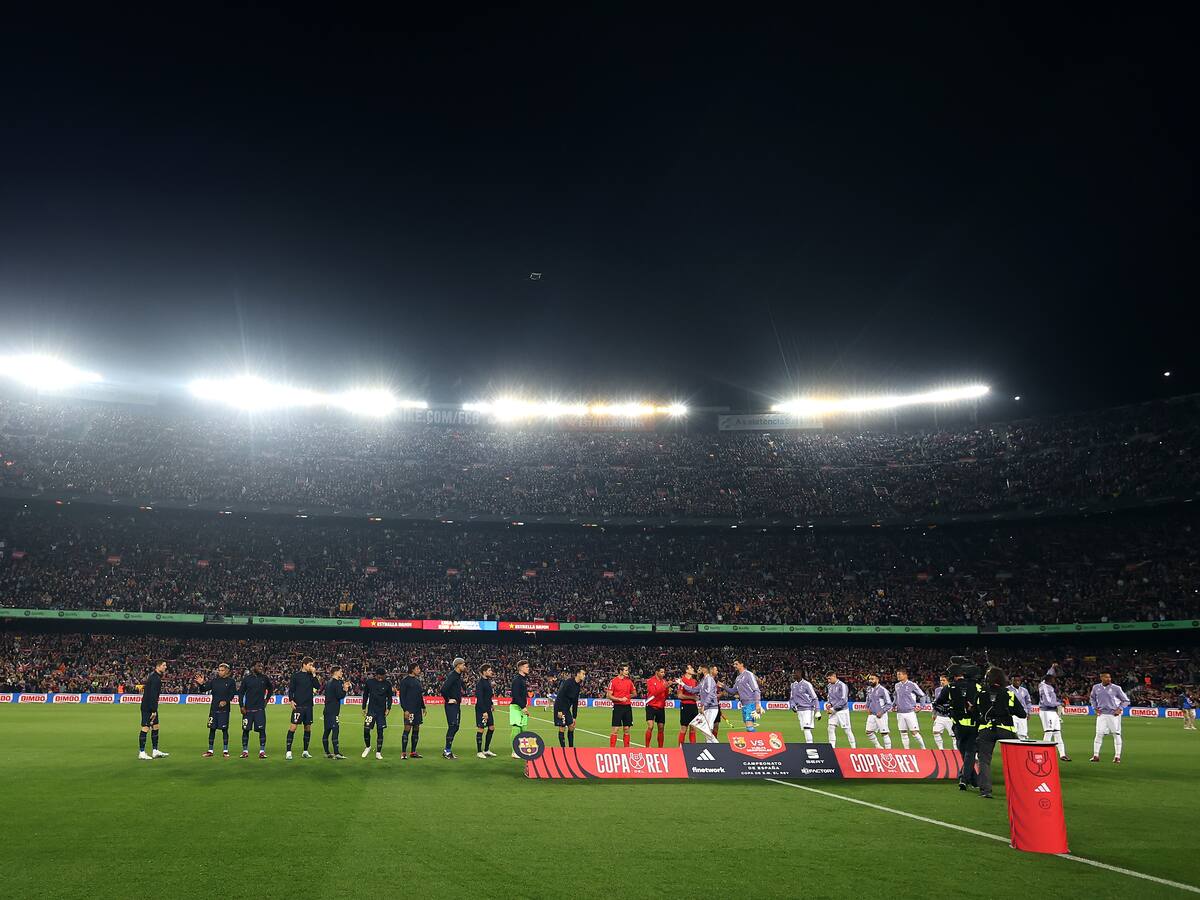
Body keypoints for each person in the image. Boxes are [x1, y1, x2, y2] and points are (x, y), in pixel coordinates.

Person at [974, 666, 1027, 800]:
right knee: (1013, 761)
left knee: (984, 760)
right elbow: (1021, 714)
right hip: (1006, 729)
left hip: (986, 729)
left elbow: (974, 711)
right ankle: (1017, 790)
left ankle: (985, 790)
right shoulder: (1008, 693)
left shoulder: (981, 692)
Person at [947, 667, 980, 790]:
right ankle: (973, 779)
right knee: (969, 753)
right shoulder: (977, 687)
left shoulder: (951, 687)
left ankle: (964, 778)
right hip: (973, 725)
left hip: (959, 726)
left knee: (964, 753)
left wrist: (949, 710)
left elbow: (939, 702)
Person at [195, 662, 237, 758]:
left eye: (222, 670)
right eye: (219, 670)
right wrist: (201, 684)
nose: (220, 672)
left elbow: (232, 694)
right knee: (212, 729)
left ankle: (225, 750)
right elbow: (203, 689)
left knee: (224, 730)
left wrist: (226, 701)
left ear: (227, 671)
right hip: (214, 709)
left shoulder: (231, 682)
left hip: (224, 710)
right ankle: (210, 750)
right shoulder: (214, 681)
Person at [1089, 672, 1130, 764]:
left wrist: (1119, 709)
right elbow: (1092, 698)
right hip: (1102, 714)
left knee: (1116, 734)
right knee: (1099, 734)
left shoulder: (1116, 688)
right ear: (1101, 678)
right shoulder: (1096, 687)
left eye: (1109, 677)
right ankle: (1095, 755)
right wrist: (1094, 708)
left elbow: (1126, 701)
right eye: (1106, 677)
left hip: (1113, 715)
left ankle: (1117, 756)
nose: (1109, 679)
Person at [285, 656, 319, 760]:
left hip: (309, 706)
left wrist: (314, 674)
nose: (311, 667)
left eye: (312, 665)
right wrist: (291, 700)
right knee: (293, 727)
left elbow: (317, 686)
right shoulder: (296, 676)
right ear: (304, 664)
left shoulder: (311, 676)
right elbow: (291, 690)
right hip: (298, 706)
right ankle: (288, 751)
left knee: (307, 728)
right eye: (310, 665)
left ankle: (305, 751)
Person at [676, 663, 720, 742]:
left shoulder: (709, 679)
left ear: (704, 669)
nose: (697, 670)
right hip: (705, 707)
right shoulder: (703, 680)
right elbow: (693, 690)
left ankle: (716, 747)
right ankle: (713, 746)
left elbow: (711, 693)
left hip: (711, 707)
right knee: (705, 729)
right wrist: (682, 684)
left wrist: (704, 705)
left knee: (707, 729)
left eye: (700, 668)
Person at [238, 662, 272, 759]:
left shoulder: (264, 678)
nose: (261, 667)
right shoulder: (247, 679)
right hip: (248, 710)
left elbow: (270, 689)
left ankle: (262, 751)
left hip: (259, 709)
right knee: (245, 730)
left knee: (262, 730)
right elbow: (241, 693)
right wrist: (241, 706)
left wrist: (267, 699)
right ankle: (245, 751)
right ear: (253, 667)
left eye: (262, 666)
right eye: (259, 666)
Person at [138, 661, 169, 760]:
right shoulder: (155, 679)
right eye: (164, 665)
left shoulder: (155, 677)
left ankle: (155, 751)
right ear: (158, 666)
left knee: (155, 727)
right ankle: (142, 752)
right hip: (148, 707)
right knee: (146, 727)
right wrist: (153, 710)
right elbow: (153, 696)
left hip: (151, 706)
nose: (165, 667)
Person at [361, 666, 393, 760]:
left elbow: (390, 697)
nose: (385, 677)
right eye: (383, 675)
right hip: (371, 710)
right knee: (366, 729)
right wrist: (363, 707)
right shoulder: (369, 682)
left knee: (380, 731)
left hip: (381, 712)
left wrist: (389, 708)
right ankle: (368, 747)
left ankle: (378, 752)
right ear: (378, 675)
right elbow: (365, 695)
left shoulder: (387, 684)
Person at [1038, 674, 1071, 761]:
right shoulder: (1045, 687)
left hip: (1053, 712)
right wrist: (1059, 703)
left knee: (1057, 733)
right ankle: (1043, 754)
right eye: (1053, 679)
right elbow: (1047, 702)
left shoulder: (1048, 686)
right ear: (1049, 679)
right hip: (1046, 711)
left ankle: (1062, 755)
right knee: (1048, 732)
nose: (1054, 680)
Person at [892, 668, 927, 750]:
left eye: (899, 674)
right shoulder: (897, 685)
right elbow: (896, 696)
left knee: (914, 733)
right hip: (900, 713)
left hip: (910, 713)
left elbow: (922, 695)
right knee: (903, 733)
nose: (898, 676)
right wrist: (894, 705)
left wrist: (921, 707)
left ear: (905, 675)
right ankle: (907, 751)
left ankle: (924, 749)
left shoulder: (912, 685)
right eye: (897, 674)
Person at [321, 666, 351, 759]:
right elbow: (339, 695)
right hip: (333, 711)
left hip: (327, 710)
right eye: (340, 671)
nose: (342, 673)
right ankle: (336, 753)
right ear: (335, 672)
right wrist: (345, 689)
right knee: (335, 730)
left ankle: (327, 752)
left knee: (327, 731)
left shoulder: (329, 682)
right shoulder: (336, 683)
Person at [728, 659, 764, 732]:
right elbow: (733, 691)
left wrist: (757, 704)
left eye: (736, 664)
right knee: (748, 728)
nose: (734, 666)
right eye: (734, 664)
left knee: (749, 727)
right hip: (744, 705)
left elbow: (756, 690)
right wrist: (723, 686)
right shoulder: (738, 678)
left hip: (751, 703)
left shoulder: (748, 674)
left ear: (742, 664)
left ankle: (758, 741)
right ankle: (753, 742)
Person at [399, 663, 426, 759]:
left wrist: (423, 707)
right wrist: (405, 709)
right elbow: (402, 697)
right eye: (417, 668)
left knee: (416, 730)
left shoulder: (418, 681)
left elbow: (420, 696)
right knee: (407, 730)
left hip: (417, 710)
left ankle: (413, 752)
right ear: (412, 669)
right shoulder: (405, 681)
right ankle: (403, 753)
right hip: (409, 710)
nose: (419, 670)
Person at [441, 657, 466, 760]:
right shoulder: (453, 676)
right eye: (463, 664)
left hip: (456, 705)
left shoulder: (457, 676)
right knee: (453, 726)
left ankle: (447, 750)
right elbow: (443, 689)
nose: (465, 666)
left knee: (455, 727)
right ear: (458, 665)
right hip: (452, 705)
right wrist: (448, 700)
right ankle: (447, 751)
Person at [554, 667, 586, 748]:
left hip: (567, 709)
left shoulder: (578, 686)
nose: (584, 675)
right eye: (583, 674)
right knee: (562, 727)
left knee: (571, 726)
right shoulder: (568, 682)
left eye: (584, 674)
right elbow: (560, 696)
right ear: (578, 674)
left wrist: (574, 716)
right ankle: (563, 749)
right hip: (560, 707)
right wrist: (560, 710)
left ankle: (571, 748)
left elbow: (575, 702)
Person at [787, 669, 820, 743]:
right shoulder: (793, 685)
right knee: (805, 729)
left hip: (808, 709)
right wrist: (792, 705)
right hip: (799, 710)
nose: (793, 675)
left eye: (794, 673)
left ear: (800, 673)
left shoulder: (807, 684)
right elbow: (792, 698)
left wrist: (817, 711)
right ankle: (809, 745)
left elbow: (815, 697)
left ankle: (810, 746)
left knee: (807, 728)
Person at [606, 664, 635, 748]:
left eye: (627, 670)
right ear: (621, 671)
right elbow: (608, 695)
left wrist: (627, 697)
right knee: (615, 729)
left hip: (627, 707)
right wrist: (619, 699)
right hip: (618, 707)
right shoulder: (613, 681)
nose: (627, 672)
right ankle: (612, 750)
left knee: (626, 729)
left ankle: (626, 749)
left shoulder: (629, 681)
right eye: (626, 670)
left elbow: (634, 693)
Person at [825, 672, 856, 747]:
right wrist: (829, 704)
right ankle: (832, 748)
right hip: (833, 710)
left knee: (847, 730)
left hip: (842, 711)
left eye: (830, 678)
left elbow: (844, 700)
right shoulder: (829, 686)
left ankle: (854, 748)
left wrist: (833, 708)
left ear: (834, 676)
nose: (828, 680)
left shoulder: (842, 685)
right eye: (827, 679)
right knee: (830, 728)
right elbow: (830, 698)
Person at [509, 660, 531, 759]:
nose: (528, 668)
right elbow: (516, 695)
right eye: (526, 667)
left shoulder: (523, 679)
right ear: (521, 668)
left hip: (522, 707)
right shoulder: (517, 680)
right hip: (516, 707)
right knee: (516, 728)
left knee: (524, 729)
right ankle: (514, 752)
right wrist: (523, 707)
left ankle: (522, 751)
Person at [475, 664, 497, 758]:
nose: (491, 672)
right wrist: (484, 711)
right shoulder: (480, 683)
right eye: (489, 670)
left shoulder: (488, 682)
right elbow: (480, 698)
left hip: (488, 708)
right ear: (484, 672)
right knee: (481, 729)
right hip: (481, 709)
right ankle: (479, 751)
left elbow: (487, 696)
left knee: (491, 727)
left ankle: (486, 750)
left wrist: (491, 704)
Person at [865, 674, 893, 749]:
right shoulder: (869, 689)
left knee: (884, 733)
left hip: (881, 715)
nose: (870, 681)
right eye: (870, 679)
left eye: (872, 679)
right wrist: (867, 707)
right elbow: (868, 700)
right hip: (872, 715)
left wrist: (882, 712)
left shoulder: (883, 690)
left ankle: (888, 751)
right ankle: (878, 746)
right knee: (868, 732)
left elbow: (889, 704)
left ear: (877, 680)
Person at [644, 666, 669, 748]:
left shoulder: (664, 681)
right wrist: (664, 687)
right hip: (651, 705)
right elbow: (654, 692)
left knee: (661, 728)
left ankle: (660, 748)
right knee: (650, 726)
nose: (663, 674)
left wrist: (663, 701)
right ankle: (647, 747)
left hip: (660, 707)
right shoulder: (650, 681)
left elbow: (666, 695)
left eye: (664, 672)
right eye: (661, 672)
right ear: (656, 672)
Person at [676, 664, 699, 745]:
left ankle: (693, 749)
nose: (693, 669)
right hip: (685, 706)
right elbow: (679, 695)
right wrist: (692, 697)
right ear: (686, 670)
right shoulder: (681, 681)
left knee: (693, 728)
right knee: (684, 728)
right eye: (691, 668)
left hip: (694, 706)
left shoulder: (694, 681)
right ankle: (680, 749)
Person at [931, 675, 955, 751]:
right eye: (941, 680)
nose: (942, 682)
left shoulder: (953, 689)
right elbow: (936, 702)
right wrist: (934, 713)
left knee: (954, 735)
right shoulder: (937, 690)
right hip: (940, 715)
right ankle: (941, 750)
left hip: (950, 716)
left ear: (948, 681)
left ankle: (957, 751)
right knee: (936, 732)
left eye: (943, 680)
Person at [1010, 675, 1033, 740]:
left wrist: (1028, 712)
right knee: (1013, 733)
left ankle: (1022, 749)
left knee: (1023, 733)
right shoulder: (1007, 689)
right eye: (1015, 680)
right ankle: (1013, 749)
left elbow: (1028, 702)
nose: (1017, 682)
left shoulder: (1024, 690)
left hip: (1023, 714)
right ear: (1012, 681)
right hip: (1013, 714)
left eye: (1019, 681)